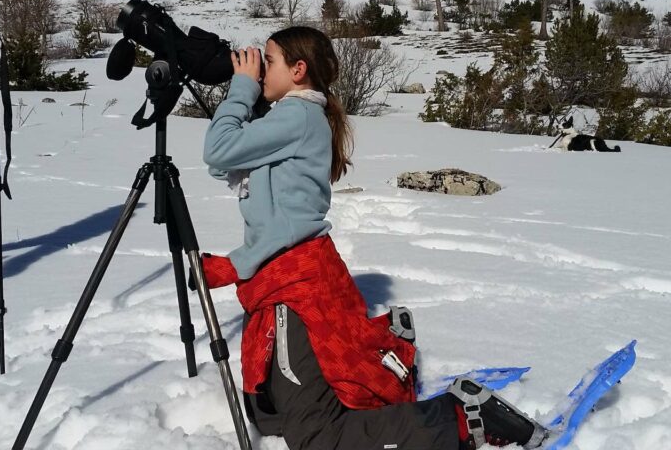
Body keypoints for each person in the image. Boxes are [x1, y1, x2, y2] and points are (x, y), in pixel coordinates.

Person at [200, 26, 548, 450]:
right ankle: (387, 348)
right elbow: (227, 163)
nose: (258, 70)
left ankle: (460, 418)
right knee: (272, 413)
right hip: (291, 276)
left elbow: (218, 152)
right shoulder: (290, 116)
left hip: (297, 287)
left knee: (317, 438)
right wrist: (246, 100)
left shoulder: (297, 116)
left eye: (267, 62)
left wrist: (238, 89)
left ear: (298, 70)